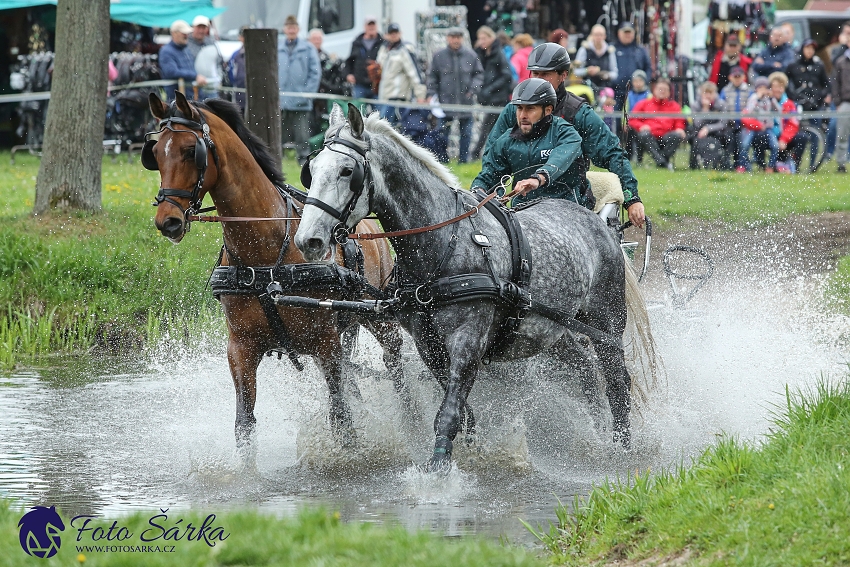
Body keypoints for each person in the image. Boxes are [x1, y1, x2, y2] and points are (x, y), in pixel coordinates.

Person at [484, 43, 645, 227]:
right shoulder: (515, 110)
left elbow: (614, 154)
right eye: (534, 74)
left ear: (563, 75)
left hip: (571, 204)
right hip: (523, 206)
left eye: (545, 74)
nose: (538, 79)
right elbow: (492, 158)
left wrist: (632, 199)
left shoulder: (579, 113)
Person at [471, 78, 587, 208]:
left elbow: (559, 159)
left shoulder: (567, 133)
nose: (522, 115)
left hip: (566, 207)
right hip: (522, 210)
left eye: (530, 109)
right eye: (519, 108)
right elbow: (489, 177)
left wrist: (538, 178)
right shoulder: (506, 141)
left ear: (548, 110)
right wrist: (478, 191)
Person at [427, 28, 483, 163]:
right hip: (445, 102)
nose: (455, 40)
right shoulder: (439, 56)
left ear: (462, 39)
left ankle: (463, 161)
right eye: (453, 37)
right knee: (443, 133)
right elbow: (432, 77)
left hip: (465, 101)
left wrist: (473, 89)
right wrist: (431, 94)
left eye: (458, 37)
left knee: (466, 133)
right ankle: (442, 160)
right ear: (447, 38)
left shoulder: (471, 55)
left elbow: (479, 74)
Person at [278, 15, 320, 165]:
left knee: (302, 137)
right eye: (288, 27)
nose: (291, 30)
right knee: (277, 136)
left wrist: (306, 94)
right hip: (281, 100)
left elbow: (315, 73)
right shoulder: (277, 48)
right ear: (284, 29)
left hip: (301, 102)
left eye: (293, 27)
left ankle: (304, 163)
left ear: (298, 29)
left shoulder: (308, 48)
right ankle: (276, 162)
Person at [471, 25, 514, 160]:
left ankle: (476, 153)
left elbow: (506, 75)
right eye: (480, 39)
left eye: (484, 38)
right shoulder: (483, 53)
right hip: (490, 96)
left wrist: (490, 88)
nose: (481, 41)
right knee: (494, 128)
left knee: (490, 127)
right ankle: (492, 154)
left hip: (499, 97)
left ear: (491, 38)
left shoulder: (498, 53)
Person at [628, 77, 686, 171]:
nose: (662, 91)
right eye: (660, 89)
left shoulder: (674, 106)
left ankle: (661, 161)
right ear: (654, 90)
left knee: (677, 135)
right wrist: (641, 126)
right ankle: (663, 163)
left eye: (665, 90)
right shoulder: (643, 104)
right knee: (644, 135)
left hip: (666, 137)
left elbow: (679, 121)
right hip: (649, 137)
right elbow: (632, 120)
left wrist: (680, 128)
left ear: (669, 92)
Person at [375, 23, 426, 125]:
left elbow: (414, 74)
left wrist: (420, 95)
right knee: (384, 128)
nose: (394, 35)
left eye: (396, 32)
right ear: (387, 35)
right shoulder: (383, 50)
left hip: (398, 98)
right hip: (384, 97)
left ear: (400, 33)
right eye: (391, 33)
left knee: (386, 128)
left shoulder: (405, 50)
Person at [158, 20, 207, 101]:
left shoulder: (186, 49)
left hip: (191, 96)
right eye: (183, 33)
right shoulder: (166, 51)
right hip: (176, 99)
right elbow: (171, 72)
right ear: (174, 33)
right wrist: (195, 76)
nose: (186, 36)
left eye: (187, 33)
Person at [689, 81, 731, 169]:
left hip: (717, 132)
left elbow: (723, 123)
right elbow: (697, 124)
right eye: (705, 93)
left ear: (715, 93)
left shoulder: (722, 104)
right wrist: (705, 109)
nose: (708, 95)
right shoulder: (696, 105)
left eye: (710, 93)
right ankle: (695, 164)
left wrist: (708, 128)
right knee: (692, 135)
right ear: (701, 93)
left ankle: (724, 163)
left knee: (729, 136)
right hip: (699, 132)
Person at [612, 22, 652, 109]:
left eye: (629, 32)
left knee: (635, 119)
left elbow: (648, 68)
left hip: (636, 94)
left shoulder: (640, 50)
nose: (627, 35)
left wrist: (643, 82)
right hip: (616, 93)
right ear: (619, 33)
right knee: (615, 119)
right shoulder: (612, 49)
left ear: (634, 33)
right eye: (625, 32)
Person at [719, 66, 751, 171]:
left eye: (739, 76)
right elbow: (721, 106)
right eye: (735, 76)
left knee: (742, 143)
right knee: (729, 142)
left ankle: (742, 165)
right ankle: (727, 165)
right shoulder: (725, 91)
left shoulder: (748, 91)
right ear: (730, 77)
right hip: (729, 124)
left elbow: (751, 107)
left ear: (743, 77)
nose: (737, 78)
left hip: (744, 125)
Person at [344, 16, 384, 99]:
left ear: (377, 26)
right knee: (358, 110)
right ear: (365, 26)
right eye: (369, 25)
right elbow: (350, 61)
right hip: (360, 84)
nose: (371, 27)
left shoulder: (383, 43)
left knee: (378, 111)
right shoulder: (357, 43)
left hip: (377, 86)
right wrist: (347, 75)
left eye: (373, 25)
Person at [574, 24, 618, 92]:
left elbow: (615, 73)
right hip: (587, 87)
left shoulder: (609, 51)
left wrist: (606, 75)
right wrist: (587, 71)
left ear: (605, 36)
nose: (598, 37)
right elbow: (576, 71)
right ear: (591, 35)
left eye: (601, 34)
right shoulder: (584, 49)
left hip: (605, 88)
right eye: (596, 34)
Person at [833, 44, 850, 173]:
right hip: (845, 102)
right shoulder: (841, 62)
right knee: (842, 134)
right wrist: (837, 102)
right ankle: (841, 164)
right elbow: (835, 83)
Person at [226, 26, 247, 111]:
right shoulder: (235, 55)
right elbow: (230, 75)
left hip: (255, 98)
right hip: (238, 97)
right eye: (244, 36)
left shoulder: (258, 55)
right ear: (240, 38)